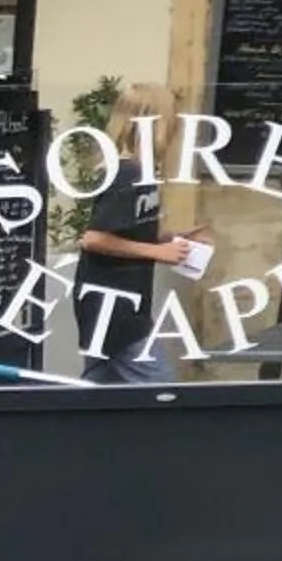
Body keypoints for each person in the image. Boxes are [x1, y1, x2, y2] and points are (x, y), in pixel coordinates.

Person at [74, 82, 206, 385]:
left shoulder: (141, 173)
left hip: (117, 305)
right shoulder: (128, 174)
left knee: (97, 395)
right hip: (115, 307)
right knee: (162, 394)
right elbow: (94, 239)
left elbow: (126, 230)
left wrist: (171, 238)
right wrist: (159, 253)